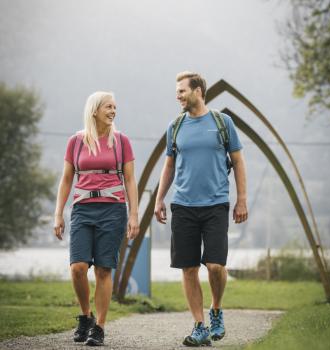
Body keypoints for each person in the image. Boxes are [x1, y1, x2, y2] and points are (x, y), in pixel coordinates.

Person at [154, 72, 248, 347]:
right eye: (177, 91)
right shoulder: (176, 125)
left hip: (216, 204)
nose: (178, 95)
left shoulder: (222, 122)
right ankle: (199, 326)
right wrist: (159, 199)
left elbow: (239, 162)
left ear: (198, 91)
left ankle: (216, 309)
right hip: (183, 205)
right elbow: (168, 166)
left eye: (182, 90)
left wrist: (242, 199)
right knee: (188, 268)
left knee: (216, 265)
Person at [54, 91, 139, 346]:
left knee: (103, 269)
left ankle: (99, 327)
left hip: (113, 209)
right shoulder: (76, 141)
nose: (113, 111)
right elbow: (67, 179)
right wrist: (58, 213)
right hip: (82, 209)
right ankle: (85, 316)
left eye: (115, 107)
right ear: (94, 110)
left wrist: (134, 214)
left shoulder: (122, 141)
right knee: (78, 267)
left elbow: (130, 180)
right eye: (108, 107)